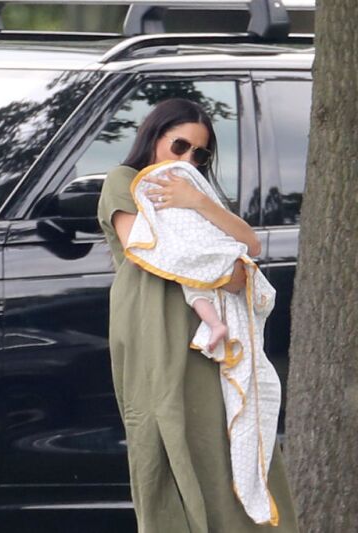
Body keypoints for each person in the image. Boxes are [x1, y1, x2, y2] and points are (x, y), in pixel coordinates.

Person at [97, 98, 298, 532]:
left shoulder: (197, 195)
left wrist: (198, 202)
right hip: (153, 329)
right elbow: (148, 246)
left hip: (210, 341)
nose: (188, 159)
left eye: (200, 154)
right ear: (154, 138)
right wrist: (223, 271)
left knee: (225, 439)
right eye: (179, 146)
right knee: (161, 439)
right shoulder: (125, 182)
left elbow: (249, 250)